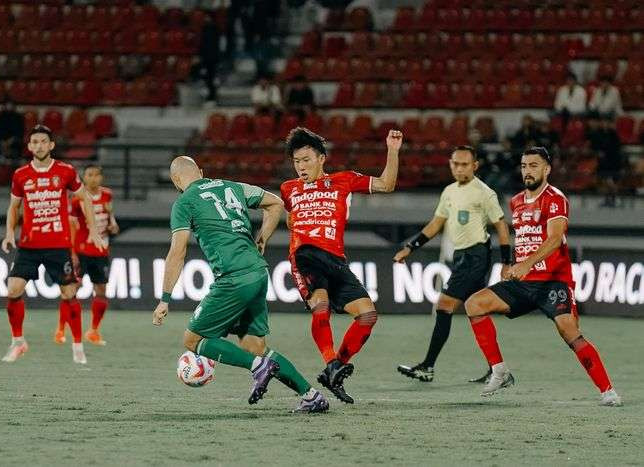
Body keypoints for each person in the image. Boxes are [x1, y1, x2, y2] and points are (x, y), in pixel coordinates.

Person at [152, 156, 329, 413]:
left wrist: (164, 298)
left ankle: (257, 367)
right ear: (201, 171)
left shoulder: (184, 202)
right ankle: (312, 396)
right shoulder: (231, 186)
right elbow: (275, 203)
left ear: (175, 180)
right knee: (254, 346)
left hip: (233, 277)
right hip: (257, 272)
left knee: (193, 339)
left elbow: (177, 252)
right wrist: (262, 239)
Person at [464, 147, 622, 406]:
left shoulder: (555, 198)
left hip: (552, 282)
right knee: (474, 304)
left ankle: (607, 391)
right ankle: (499, 371)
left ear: (547, 169)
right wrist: (510, 264)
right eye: (524, 166)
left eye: (534, 166)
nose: (527, 170)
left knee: (569, 332)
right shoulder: (516, 201)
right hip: (524, 282)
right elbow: (526, 239)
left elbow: (554, 238)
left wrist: (526, 263)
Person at [280, 127, 402, 404]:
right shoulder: (288, 189)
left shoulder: (344, 180)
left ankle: (334, 369)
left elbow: (386, 184)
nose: (301, 167)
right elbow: (288, 219)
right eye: (296, 161)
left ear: (322, 158)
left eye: (306, 159)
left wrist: (392, 151)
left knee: (368, 316)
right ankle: (331, 361)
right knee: (320, 306)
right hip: (305, 255)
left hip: (335, 259)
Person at [394, 146, 512, 384]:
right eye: (455, 164)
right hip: (462, 255)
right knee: (476, 310)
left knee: (444, 305)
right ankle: (498, 370)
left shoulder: (484, 192)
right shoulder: (449, 191)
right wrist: (410, 246)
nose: (459, 168)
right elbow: (435, 224)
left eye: (464, 164)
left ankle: (427, 367)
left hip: (475, 256)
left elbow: (501, 226)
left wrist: (507, 262)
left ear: (475, 166)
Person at [0, 125, 104, 364]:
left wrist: (95, 230)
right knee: (13, 290)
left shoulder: (65, 171)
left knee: (69, 294)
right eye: (34, 142)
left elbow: (85, 198)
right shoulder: (20, 175)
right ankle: (18, 342)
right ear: (29, 147)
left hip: (58, 244)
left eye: (43, 141)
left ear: (51, 145)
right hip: (29, 244)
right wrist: (9, 233)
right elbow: (13, 207)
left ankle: (78, 347)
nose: (38, 145)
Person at [55, 165, 119, 346]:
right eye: (89, 175)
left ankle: (93, 331)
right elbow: (72, 226)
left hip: (101, 251)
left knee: (101, 291)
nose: (93, 178)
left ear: (101, 177)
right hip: (82, 251)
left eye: (96, 174)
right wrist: (72, 252)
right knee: (71, 290)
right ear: (84, 178)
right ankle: (61, 329)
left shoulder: (107, 195)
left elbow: (110, 217)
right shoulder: (77, 199)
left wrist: (113, 226)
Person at [0, 99, 24, 187]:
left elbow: (20, 132)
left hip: (14, 140)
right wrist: (2, 141)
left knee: (19, 143)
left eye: (11, 105)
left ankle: (15, 162)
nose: (9, 107)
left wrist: (10, 141)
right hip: (1, 140)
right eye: (7, 105)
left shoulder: (18, 117)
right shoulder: (0, 117)